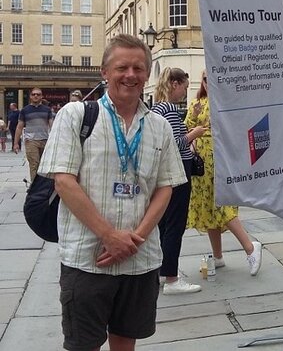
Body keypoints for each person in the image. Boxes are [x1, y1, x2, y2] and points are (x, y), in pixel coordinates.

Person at [38, 34, 187, 351]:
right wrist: (109, 235)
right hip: (89, 258)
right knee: (84, 345)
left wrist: (136, 239)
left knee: (125, 342)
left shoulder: (159, 125)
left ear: (147, 74)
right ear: (105, 72)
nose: (130, 75)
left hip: (140, 259)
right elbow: (64, 181)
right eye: (122, 67)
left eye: (138, 68)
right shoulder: (76, 115)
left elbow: (165, 187)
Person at [185, 71, 262, 276]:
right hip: (199, 161)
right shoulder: (196, 103)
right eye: (204, 79)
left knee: (221, 205)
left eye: (212, 78)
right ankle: (217, 256)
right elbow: (187, 128)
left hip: (219, 156)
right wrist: (192, 141)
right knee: (209, 206)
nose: (208, 82)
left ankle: (250, 247)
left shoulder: (226, 102)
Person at [152, 67, 207, 295]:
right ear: (174, 84)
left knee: (163, 224)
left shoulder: (156, 108)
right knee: (175, 224)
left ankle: (161, 270)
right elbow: (175, 143)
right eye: (184, 86)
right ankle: (172, 278)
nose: (185, 92)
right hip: (177, 171)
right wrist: (195, 133)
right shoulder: (169, 110)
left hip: (162, 172)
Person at [13, 87, 54, 181]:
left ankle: (42, 187)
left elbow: (52, 126)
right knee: (34, 164)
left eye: (38, 94)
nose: (36, 96)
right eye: (33, 94)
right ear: (30, 96)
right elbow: (19, 127)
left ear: (42, 96)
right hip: (31, 141)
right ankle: (35, 189)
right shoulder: (25, 110)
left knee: (44, 165)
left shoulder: (47, 110)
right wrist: (15, 143)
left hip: (45, 140)